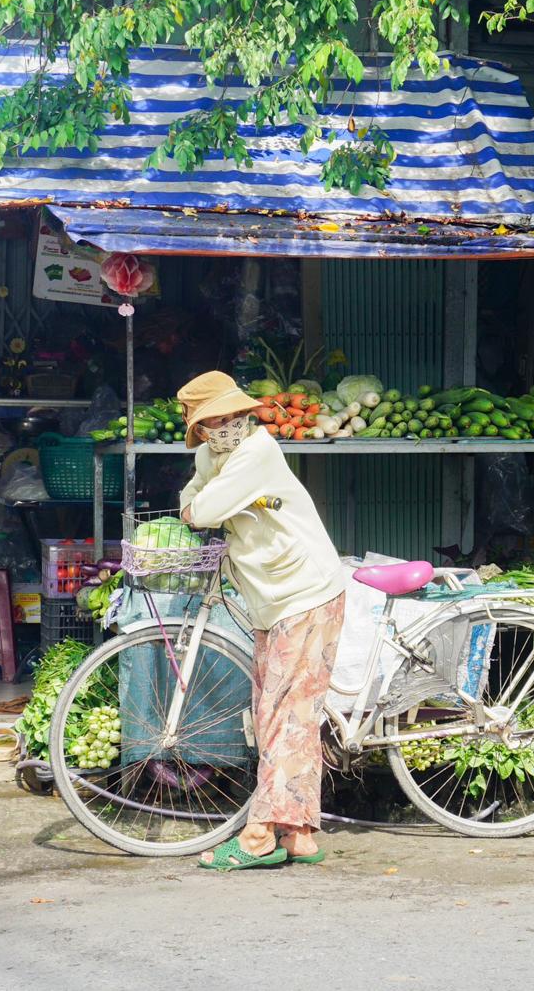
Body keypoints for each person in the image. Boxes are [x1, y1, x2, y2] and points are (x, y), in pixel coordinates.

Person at [174, 371, 347, 871]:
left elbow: (202, 508)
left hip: (306, 592)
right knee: (278, 715)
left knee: (287, 716)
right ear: (201, 428)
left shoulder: (258, 452)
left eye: (231, 415)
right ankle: (299, 836)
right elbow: (194, 491)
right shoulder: (211, 456)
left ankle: (257, 838)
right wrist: (199, 499)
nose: (226, 425)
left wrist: (200, 504)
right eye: (214, 420)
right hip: (274, 598)